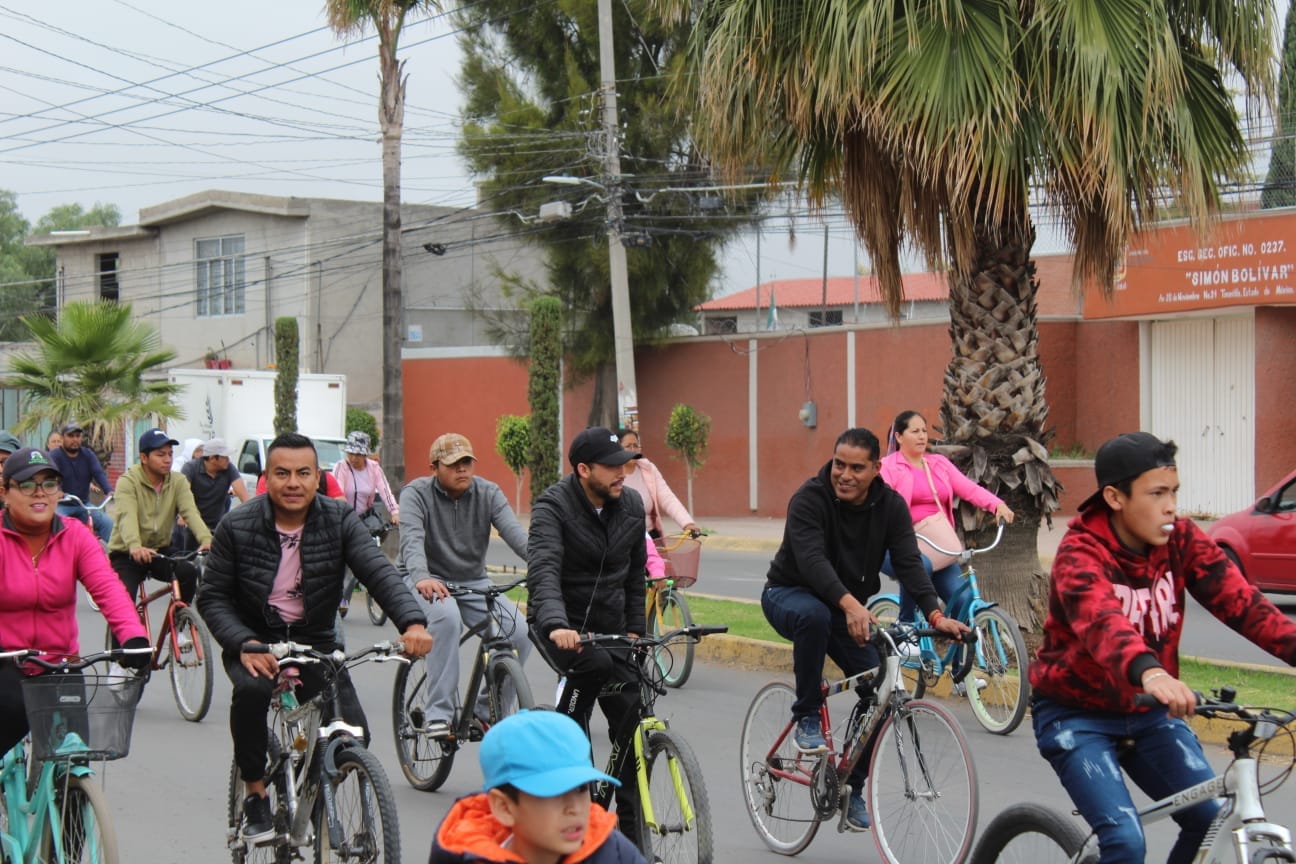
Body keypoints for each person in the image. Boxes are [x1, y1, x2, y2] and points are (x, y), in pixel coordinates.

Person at [1030, 432, 1296, 864]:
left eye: (1174, 492)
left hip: (1149, 714)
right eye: (1157, 494)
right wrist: (1152, 673)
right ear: (1115, 497)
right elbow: (1103, 624)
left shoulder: (1182, 540)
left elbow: (1245, 606)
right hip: (1076, 714)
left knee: (1209, 821)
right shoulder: (1080, 552)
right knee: (1125, 842)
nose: (1171, 505)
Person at [196, 432, 433, 844]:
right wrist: (242, 643)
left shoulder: (337, 520)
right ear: (266, 478)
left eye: (303, 473)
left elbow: (377, 571)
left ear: (317, 477)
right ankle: (255, 793)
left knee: (353, 732)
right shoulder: (237, 526)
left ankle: (317, 797)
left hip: (315, 641)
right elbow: (212, 596)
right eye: (282, 473)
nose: (293, 483)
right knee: (251, 694)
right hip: (255, 640)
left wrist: (411, 621)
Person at [761, 427, 969, 831]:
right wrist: (852, 605)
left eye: (857, 467)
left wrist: (935, 615)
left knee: (881, 685)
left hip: (844, 609)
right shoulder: (810, 499)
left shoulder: (889, 506)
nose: (845, 474)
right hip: (790, 593)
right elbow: (812, 561)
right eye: (840, 464)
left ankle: (850, 786)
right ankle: (806, 715)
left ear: (876, 468)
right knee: (814, 617)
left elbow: (910, 562)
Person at [526, 426, 648, 848]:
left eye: (625, 465)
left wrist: (637, 630)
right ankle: (566, 753)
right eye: (613, 467)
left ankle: (634, 843)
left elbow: (636, 574)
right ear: (583, 470)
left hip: (613, 626)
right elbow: (543, 570)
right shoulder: (552, 507)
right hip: (560, 623)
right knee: (592, 666)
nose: (622, 474)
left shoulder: (631, 505)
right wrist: (557, 624)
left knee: (632, 725)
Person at [0, 448, 151, 757]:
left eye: (49, 483)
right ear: (5, 492)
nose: (39, 493)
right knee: (10, 715)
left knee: (74, 752)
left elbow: (108, 587)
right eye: (27, 485)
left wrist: (133, 635)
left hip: (60, 662)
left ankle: (73, 800)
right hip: (6, 661)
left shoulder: (76, 536)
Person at [398, 432, 529, 737]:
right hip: (425, 580)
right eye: (453, 463)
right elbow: (412, 543)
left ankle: (486, 711)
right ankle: (438, 714)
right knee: (446, 618)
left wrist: (545, 564)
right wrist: (422, 576)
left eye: (467, 462)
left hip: (473, 582)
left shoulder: (488, 493)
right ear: (434, 467)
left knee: (519, 632)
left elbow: (517, 536)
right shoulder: (415, 494)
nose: (462, 469)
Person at [429, 710, 647, 864]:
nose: (575, 809)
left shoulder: (614, 852)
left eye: (581, 789)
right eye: (554, 793)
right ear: (504, 808)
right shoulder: (464, 856)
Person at [879, 409, 1014, 622]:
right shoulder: (887, 468)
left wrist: (997, 505)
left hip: (937, 548)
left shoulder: (938, 464)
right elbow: (880, 506)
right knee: (918, 565)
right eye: (915, 431)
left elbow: (969, 488)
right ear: (898, 436)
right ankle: (906, 626)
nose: (922, 436)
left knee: (965, 602)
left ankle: (960, 652)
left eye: (924, 430)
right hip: (895, 546)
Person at [107, 429, 211, 624]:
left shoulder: (178, 481)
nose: (167, 460)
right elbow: (126, 516)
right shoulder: (127, 482)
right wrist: (134, 546)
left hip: (159, 550)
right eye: (160, 454)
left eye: (170, 454)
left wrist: (206, 540)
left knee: (188, 572)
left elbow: (190, 512)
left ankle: (179, 624)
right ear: (144, 458)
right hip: (128, 552)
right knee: (123, 607)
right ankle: (119, 653)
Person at [617, 429, 698, 538]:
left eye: (636, 446)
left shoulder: (648, 469)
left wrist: (687, 523)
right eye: (628, 446)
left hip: (650, 536)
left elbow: (667, 498)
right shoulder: (611, 473)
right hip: (622, 538)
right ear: (618, 448)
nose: (633, 450)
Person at [175, 437, 250, 551]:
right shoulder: (191, 468)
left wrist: (254, 515)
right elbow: (184, 495)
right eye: (224, 457)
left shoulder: (229, 468)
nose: (228, 459)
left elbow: (245, 497)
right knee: (189, 563)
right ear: (212, 458)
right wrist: (182, 516)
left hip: (217, 527)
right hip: (193, 526)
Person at [48, 421, 114, 544]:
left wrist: (109, 490)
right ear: (63, 438)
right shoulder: (55, 456)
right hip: (62, 505)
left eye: (77, 436)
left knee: (107, 523)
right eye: (71, 436)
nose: (75, 439)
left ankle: (113, 558)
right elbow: (50, 476)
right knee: (57, 524)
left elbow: (98, 473)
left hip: (83, 505)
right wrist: (57, 490)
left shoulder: (87, 455)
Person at [332, 431, 400, 523]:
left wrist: (395, 512)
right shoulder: (341, 467)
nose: (353, 458)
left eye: (358, 454)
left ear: (365, 455)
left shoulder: (374, 468)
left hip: (366, 519)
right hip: (343, 518)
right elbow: (336, 493)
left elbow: (386, 491)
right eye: (350, 453)